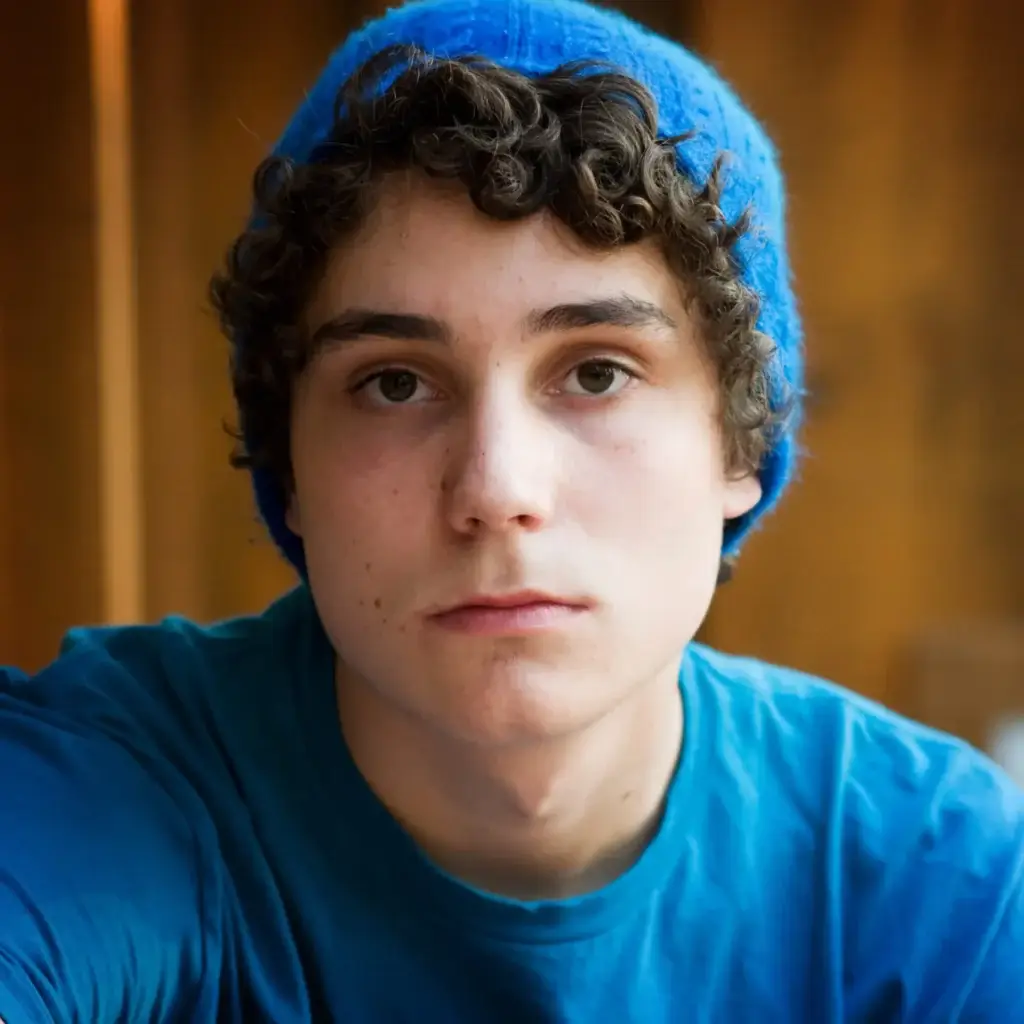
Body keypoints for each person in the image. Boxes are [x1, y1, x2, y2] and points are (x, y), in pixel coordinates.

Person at [2, 0, 1022, 1019]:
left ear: (742, 444)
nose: (495, 489)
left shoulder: (942, 884)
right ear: (289, 469)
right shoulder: (114, 785)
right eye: (395, 383)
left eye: (596, 373)